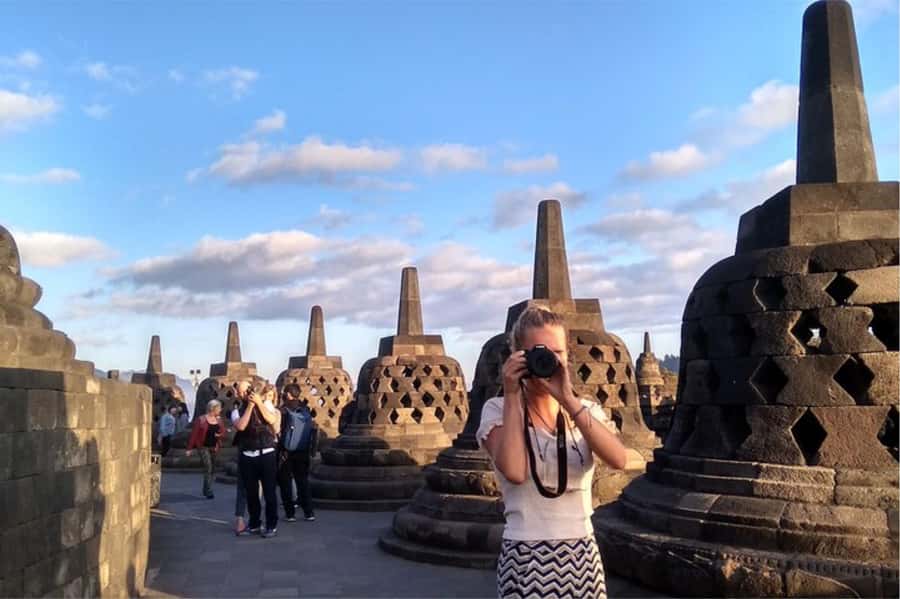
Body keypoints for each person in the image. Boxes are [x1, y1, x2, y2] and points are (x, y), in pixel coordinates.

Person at [477, 306, 627, 599]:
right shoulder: (497, 411)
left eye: (557, 353)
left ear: (568, 356)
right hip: (525, 557)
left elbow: (618, 459)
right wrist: (510, 394)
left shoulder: (585, 410)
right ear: (517, 356)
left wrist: (568, 400)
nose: (547, 361)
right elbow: (516, 471)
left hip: (583, 554)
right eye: (537, 354)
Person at [234, 381, 281, 538]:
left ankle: (271, 525)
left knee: (269, 492)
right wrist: (250, 407)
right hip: (248, 455)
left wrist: (259, 403)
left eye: (245, 391)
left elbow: (271, 420)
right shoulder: (236, 411)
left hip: (266, 452)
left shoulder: (266, 403)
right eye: (240, 392)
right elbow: (241, 426)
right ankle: (254, 523)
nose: (243, 394)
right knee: (251, 493)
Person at [277, 384, 318, 522]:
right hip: (303, 450)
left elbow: (279, 430)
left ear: (288, 394)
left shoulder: (283, 410)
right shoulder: (305, 409)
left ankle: (290, 514)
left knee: (285, 482)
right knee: (302, 481)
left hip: (286, 451)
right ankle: (309, 512)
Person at [186, 399, 226, 499]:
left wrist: (220, 435)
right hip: (203, 446)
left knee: (212, 468)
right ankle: (208, 491)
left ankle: (206, 488)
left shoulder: (219, 420)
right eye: (219, 408)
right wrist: (189, 448)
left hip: (214, 446)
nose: (220, 410)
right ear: (213, 408)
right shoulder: (201, 419)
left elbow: (223, 431)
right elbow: (194, 434)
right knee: (208, 467)